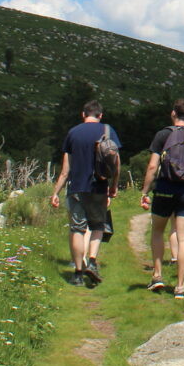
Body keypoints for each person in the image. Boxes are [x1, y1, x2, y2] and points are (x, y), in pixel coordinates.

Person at [50, 99, 119, 287]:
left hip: (76, 188)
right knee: (98, 226)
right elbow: (116, 161)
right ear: (100, 115)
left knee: (77, 229)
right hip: (99, 186)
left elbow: (66, 169)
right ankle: (93, 261)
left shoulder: (73, 133)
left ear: (83, 114)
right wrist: (114, 186)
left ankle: (78, 273)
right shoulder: (107, 130)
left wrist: (55, 192)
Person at [140, 98, 184, 299]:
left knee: (157, 231)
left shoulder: (163, 135)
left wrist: (144, 192)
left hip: (165, 189)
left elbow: (152, 166)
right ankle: (180, 287)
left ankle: (157, 276)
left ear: (173, 114)